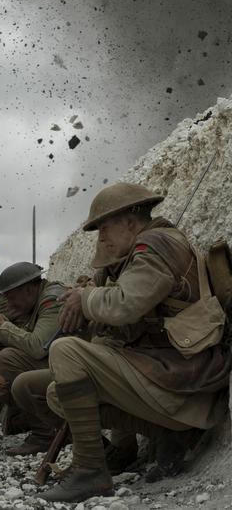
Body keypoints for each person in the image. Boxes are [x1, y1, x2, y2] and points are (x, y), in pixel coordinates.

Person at [40, 182, 231, 502]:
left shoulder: (156, 245)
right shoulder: (142, 251)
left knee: (66, 352)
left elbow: (126, 303)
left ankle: (91, 473)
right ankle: (170, 433)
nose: (101, 237)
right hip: (176, 383)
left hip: (189, 386)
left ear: (130, 221)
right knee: (58, 394)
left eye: (105, 227)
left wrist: (85, 299)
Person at [0, 262, 67, 454]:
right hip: (59, 364)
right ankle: (37, 424)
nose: (9, 304)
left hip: (73, 369)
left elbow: (37, 347)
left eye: (11, 297)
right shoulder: (34, 302)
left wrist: (2, 325)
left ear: (27, 290)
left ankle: (45, 433)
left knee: (8, 358)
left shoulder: (52, 300)